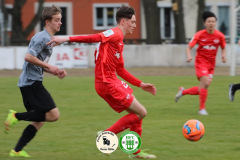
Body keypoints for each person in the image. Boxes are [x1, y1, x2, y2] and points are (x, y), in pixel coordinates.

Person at [47, 5, 157, 159]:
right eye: (132, 22)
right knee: (142, 112)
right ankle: (107, 135)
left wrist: (141, 84)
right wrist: (66, 38)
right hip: (107, 83)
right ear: (123, 21)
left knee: (136, 114)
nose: (135, 25)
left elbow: (121, 70)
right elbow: (94, 37)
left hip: (108, 82)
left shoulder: (118, 41)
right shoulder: (116, 33)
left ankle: (135, 152)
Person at [4, 5, 67, 157]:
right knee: (53, 115)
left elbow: (37, 62)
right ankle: (15, 116)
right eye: (57, 20)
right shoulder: (42, 38)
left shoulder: (48, 40)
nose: (60, 23)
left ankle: (17, 150)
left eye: (60, 20)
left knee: (39, 119)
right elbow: (28, 57)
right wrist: (49, 66)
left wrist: (53, 70)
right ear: (47, 22)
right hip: (32, 83)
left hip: (29, 82)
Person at [175, 11, 226, 115]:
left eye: (213, 21)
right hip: (201, 62)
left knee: (202, 88)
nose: (211, 23)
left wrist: (223, 56)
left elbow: (223, 47)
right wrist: (189, 56)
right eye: (209, 21)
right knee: (206, 82)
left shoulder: (220, 36)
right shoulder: (199, 35)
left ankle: (183, 92)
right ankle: (201, 109)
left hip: (211, 65)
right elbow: (189, 47)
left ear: (215, 23)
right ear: (205, 23)